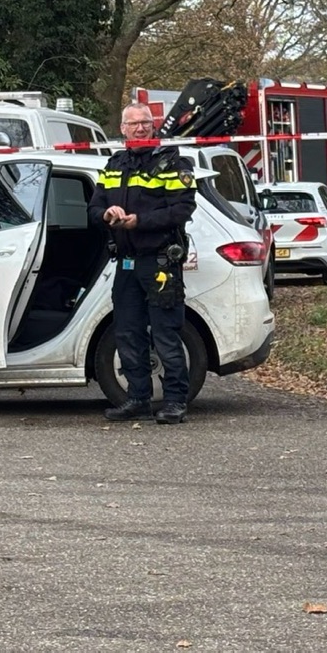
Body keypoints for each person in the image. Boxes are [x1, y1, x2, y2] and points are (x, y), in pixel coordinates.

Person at [90, 102, 198, 424]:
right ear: (122, 129)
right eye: (133, 123)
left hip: (160, 262)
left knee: (166, 333)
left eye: (145, 123)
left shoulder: (173, 163)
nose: (140, 128)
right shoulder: (113, 165)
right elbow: (93, 208)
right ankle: (138, 398)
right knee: (127, 332)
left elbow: (182, 209)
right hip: (126, 263)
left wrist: (140, 221)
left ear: (154, 126)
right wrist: (107, 214)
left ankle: (175, 401)